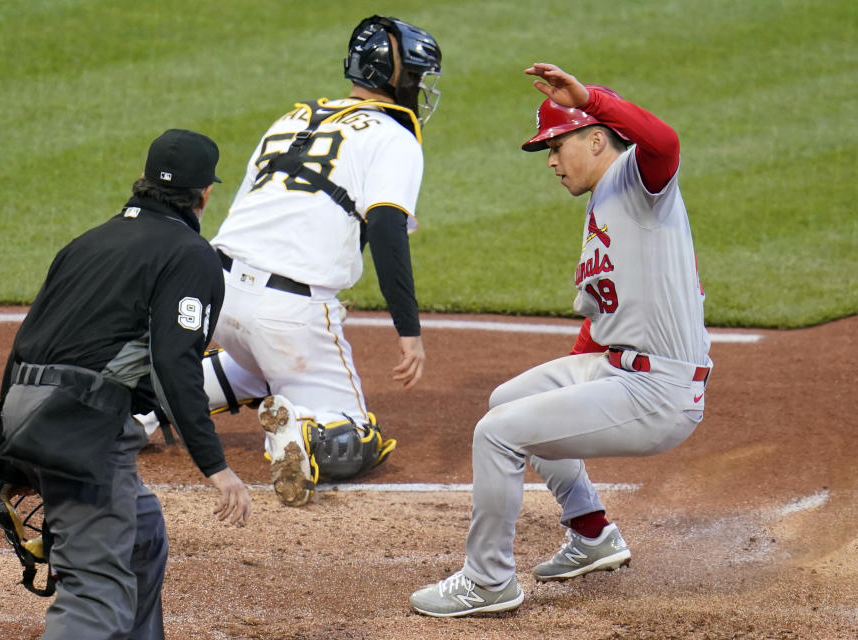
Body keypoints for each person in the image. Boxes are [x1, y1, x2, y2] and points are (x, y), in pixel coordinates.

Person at [410, 63, 712, 617]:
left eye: (557, 145)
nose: (550, 161)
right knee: (511, 403)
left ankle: (489, 581)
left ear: (597, 140)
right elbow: (600, 318)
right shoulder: (604, 199)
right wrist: (561, 394)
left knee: (497, 435)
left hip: (658, 391)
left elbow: (665, 141)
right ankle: (593, 533)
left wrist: (590, 97)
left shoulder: (639, 181)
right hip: (621, 369)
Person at [136, 15, 443, 508]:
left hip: (216, 286)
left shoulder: (294, 118)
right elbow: (385, 230)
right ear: (399, 77)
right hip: (287, 313)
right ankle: (305, 436)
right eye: (418, 75)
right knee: (363, 436)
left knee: (260, 369)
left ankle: (145, 404)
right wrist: (409, 330)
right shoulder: (394, 136)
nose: (422, 85)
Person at [0, 129, 251, 639]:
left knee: (140, 533)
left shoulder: (87, 242)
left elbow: (29, 339)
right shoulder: (190, 254)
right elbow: (174, 361)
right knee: (96, 595)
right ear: (205, 195)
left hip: (32, 407)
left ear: (143, 181)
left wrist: (13, 448)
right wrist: (216, 467)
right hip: (82, 425)